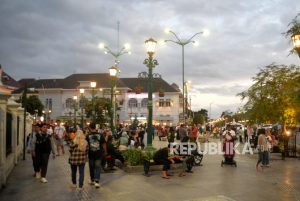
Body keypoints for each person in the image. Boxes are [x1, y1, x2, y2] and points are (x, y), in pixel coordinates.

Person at [86, 123, 107, 188]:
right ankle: (97, 182)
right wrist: (105, 151)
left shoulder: (87, 135)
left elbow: (86, 145)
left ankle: (92, 180)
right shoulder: (100, 135)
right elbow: (104, 144)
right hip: (98, 154)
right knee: (97, 167)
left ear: (89, 128)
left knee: (91, 167)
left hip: (91, 154)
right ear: (95, 127)